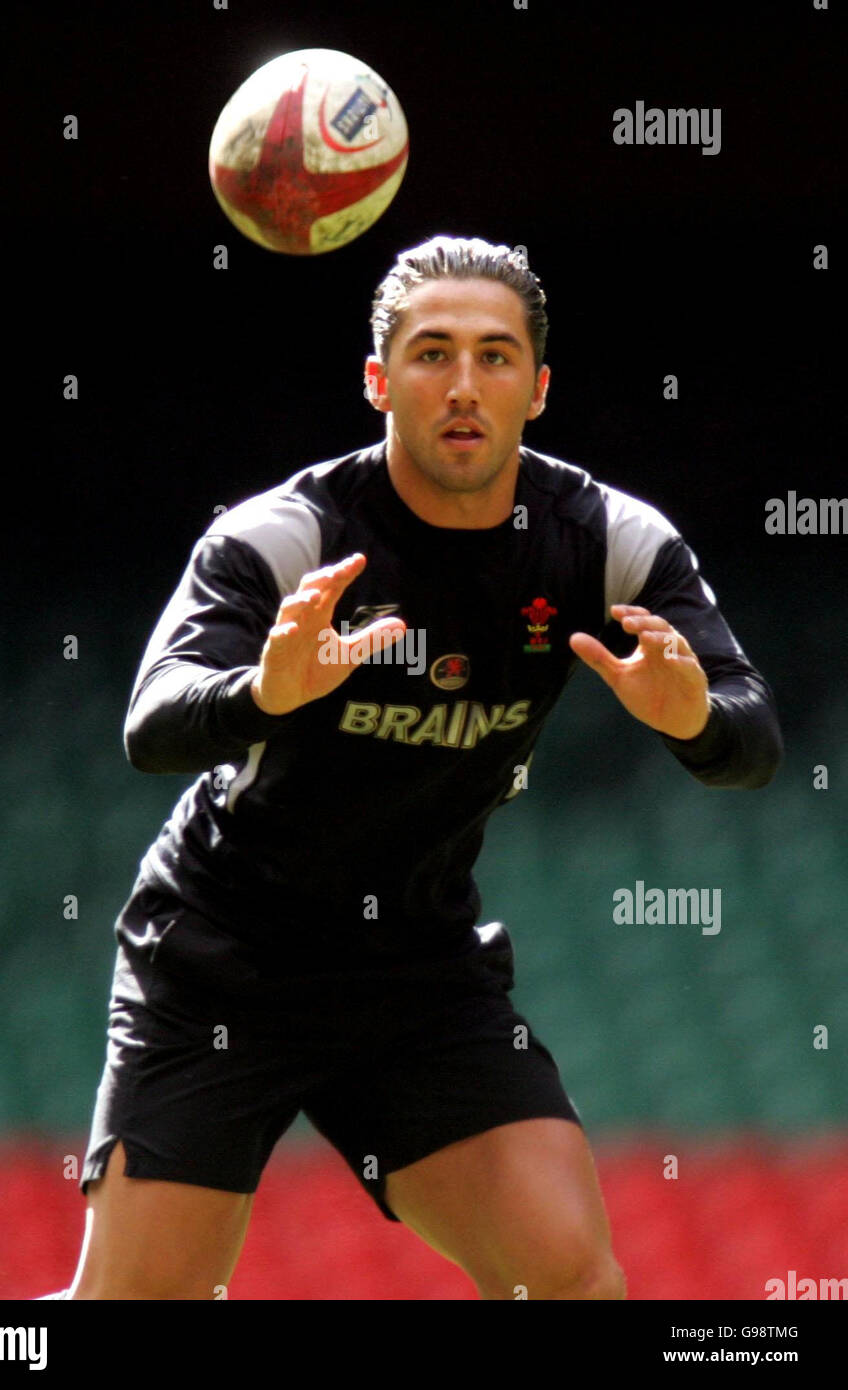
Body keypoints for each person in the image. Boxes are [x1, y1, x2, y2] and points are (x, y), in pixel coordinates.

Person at [55, 236, 782, 1301]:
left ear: (536, 390)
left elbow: (751, 741)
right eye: (431, 352)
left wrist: (691, 720)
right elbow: (151, 726)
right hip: (218, 960)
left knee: (569, 1280)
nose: (462, 384)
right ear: (376, 379)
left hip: (414, 968)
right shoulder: (288, 535)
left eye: (494, 357)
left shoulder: (605, 542)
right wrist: (265, 691)